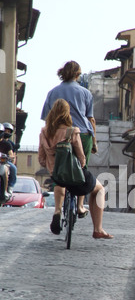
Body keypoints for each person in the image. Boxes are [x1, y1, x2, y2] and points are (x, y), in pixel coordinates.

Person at [38, 99, 113, 240]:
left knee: (59, 183)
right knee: (99, 189)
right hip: (74, 176)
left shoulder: (44, 132)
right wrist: (82, 167)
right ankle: (98, 229)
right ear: (67, 114)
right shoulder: (72, 131)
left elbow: (41, 158)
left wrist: (51, 167)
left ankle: (58, 211)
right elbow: (81, 157)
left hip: (56, 175)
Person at [41, 60, 98, 217]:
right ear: (78, 74)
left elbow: (46, 118)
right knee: (81, 170)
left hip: (57, 133)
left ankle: (58, 210)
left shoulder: (52, 93)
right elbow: (91, 120)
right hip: (82, 134)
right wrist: (94, 141)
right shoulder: (85, 93)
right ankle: (80, 207)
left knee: (59, 173)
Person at [0, 123, 17, 195]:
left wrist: (10, 157)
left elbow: (11, 154)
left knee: (13, 168)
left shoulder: (7, 144)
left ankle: (9, 187)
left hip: (3, 162)